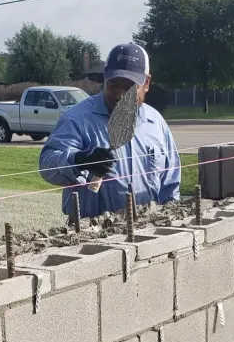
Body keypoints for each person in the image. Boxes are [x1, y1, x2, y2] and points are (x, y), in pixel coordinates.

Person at [38, 42, 181, 219]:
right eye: (113, 85)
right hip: (92, 236)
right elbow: (46, 166)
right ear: (104, 79)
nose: (120, 95)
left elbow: (171, 184)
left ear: (147, 83)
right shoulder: (77, 119)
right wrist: (80, 160)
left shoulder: (156, 122)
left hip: (148, 232)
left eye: (129, 87)